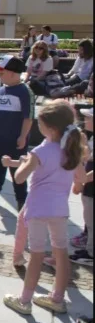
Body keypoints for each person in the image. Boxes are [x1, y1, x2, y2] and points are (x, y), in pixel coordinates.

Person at [3, 100, 86, 315]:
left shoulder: (40, 151)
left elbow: (20, 179)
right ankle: (57, 299)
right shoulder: (72, 151)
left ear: (51, 127)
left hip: (38, 210)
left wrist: (22, 163)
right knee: (61, 254)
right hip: (60, 211)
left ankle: (24, 301)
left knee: (37, 256)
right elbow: (82, 178)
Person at [0, 57, 34, 210]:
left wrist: (23, 136)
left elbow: (28, 117)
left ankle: (22, 200)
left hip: (15, 140)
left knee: (17, 170)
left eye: (1, 72)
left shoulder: (24, 91)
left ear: (12, 73)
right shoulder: (0, 90)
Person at [70, 107, 93, 266]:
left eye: (88, 117)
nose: (85, 120)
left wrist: (82, 181)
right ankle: (89, 248)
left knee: (92, 221)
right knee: (89, 220)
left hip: (92, 189)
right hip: (89, 188)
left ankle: (91, 255)